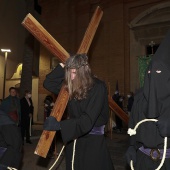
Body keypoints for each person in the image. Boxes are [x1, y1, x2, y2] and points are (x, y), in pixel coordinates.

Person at [43, 54, 114, 170]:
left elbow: (87, 120)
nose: (71, 76)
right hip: (74, 137)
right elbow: (48, 83)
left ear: (83, 72)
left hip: (92, 143)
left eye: (75, 72)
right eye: (69, 72)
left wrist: (59, 126)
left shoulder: (98, 87)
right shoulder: (71, 86)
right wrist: (63, 65)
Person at [126, 31, 170, 169]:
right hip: (142, 161)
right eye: (150, 72)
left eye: (159, 72)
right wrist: (131, 147)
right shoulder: (140, 100)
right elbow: (133, 127)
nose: (153, 77)